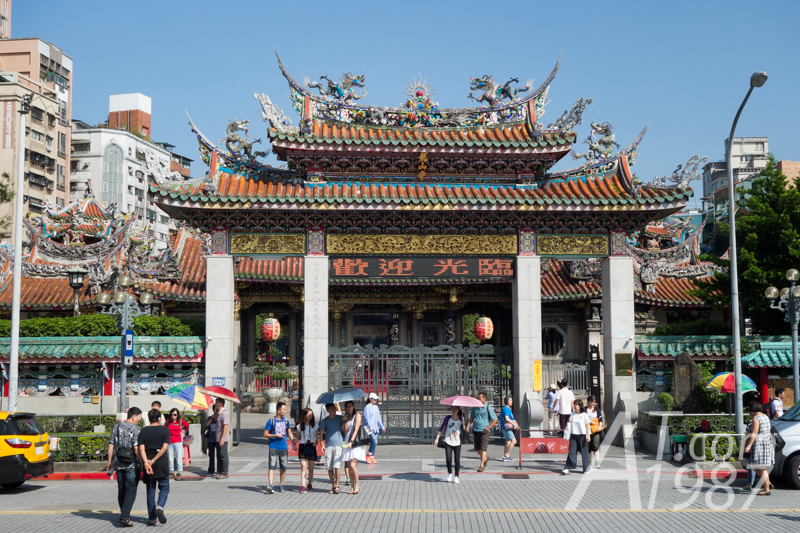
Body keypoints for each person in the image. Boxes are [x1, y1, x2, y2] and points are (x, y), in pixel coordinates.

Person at [107, 407, 143, 528]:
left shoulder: (116, 427)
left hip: (118, 463)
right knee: (131, 490)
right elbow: (137, 448)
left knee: (121, 489)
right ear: (134, 416)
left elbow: (111, 444)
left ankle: (124, 513)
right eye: (139, 416)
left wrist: (110, 461)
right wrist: (142, 462)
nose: (140, 418)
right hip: (132, 464)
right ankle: (125, 516)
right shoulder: (136, 429)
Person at [138, 409, 171, 526]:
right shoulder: (165, 430)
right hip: (161, 462)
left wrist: (147, 463)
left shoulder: (143, 431)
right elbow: (164, 448)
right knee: (164, 487)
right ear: (159, 418)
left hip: (148, 463)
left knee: (150, 491)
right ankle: (160, 506)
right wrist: (153, 460)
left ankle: (152, 518)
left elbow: (141, 449)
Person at [743, 400, 774, 495]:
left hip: (759, 444)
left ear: (752, 410)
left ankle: (766, 489)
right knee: (757, 466)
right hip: (767, 443)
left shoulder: (756, 418)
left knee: (760, 468)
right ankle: (767, 483)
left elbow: (754, 433)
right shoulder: (765, 417)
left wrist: (748, 445)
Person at [264, 401, 294, 494]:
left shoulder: (286, 421)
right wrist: (276, 435)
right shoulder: (271, 421)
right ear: (278, 411)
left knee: (283, 467)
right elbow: (265, 434)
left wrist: (294, 441)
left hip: (283, 446)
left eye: (286, 409)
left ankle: (281, 484)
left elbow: (289, 432)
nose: (286, 411)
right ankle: (271, 485)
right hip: (273, 446)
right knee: (272, 466)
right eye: (284, 410)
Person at [465, 391, 497, 472]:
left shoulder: (487, 408)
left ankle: (482, 465)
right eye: (478, 398)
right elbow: (472, 417)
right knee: (477, 449)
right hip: (476, 430)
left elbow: (495, 419)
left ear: (484, 399)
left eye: (479, 398)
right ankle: (485, 458)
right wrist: (468, 425)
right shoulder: (475, 407)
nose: (478, 400)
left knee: (483, 449)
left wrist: (488, 428)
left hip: (484, 431)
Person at [318, 403, 344, 494]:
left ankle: (337, 485)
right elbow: (321, 434)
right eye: (332, 409)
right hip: (328, 445)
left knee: (337, 465)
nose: (334, 410)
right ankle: (333, 485)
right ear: (327, 410)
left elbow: (345, 429)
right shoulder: (325, 421)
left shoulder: (340, 418)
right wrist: (322, 444)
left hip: (338, 444)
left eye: (334, 409)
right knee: (329, 467)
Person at [434, 405, 464, 483]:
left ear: (458, 410)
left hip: (457, 442)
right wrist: (437, 438)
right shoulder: (448, 418)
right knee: (449, 459)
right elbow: (441, 428)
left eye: (455, 409)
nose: (453, 410)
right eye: (452, 408)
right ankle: (450, 473)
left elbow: (463, 429)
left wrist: (464, 424)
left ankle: (456, 476)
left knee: (457, 460)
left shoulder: (461, 418)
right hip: (448, 441)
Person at [341, 400, 366, 494]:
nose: (349, 408)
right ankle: (351, 487)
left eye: (350, 406)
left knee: (352, 465)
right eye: (347, 406)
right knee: (349, 466)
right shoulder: (347, 417)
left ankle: (357, 485)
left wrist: (351, 441)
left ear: (353, 406)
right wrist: (344, 422)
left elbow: (356, 430)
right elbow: (345, 431)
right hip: (348, 440)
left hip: (355, 442)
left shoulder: (357, 415)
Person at [563, 399, 591, 475]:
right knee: (571, 452)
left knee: (584, 452)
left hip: (582, 435)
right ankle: (567, 468)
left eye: (576, 405)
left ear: (580, 406)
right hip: (573, 435)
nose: (574, 406)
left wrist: (588, 434)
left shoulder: (584, 415)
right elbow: (569, 424)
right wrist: (569, 421)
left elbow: (587, 425)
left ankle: (586, 469)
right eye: (574, 404)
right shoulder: (572, 414)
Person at [294, 407, 318, 494]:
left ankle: (310, 483)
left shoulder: (315, 425)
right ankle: (303, 486)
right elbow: (297, 437)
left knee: (311, 468)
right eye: (309, 415)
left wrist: (317, 442)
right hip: (303, 446)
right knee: (303, 466)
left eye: (312, 415)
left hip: (311, 446)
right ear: (304, 416)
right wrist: (294, 444)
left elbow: (317, 437)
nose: (311, 416)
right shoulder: (300, 426)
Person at [165, 408, 189, 481]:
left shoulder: (180, 421)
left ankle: (179, 472)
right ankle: (171, 472)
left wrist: (183, 432)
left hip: (178, 440)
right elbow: (165, 429)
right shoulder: (168, 422)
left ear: (177, 415)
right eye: (172, 414)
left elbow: (187, 425)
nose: (173, 416)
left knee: (179, 457)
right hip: (170, 441)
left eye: (175, 414)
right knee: (170, 457)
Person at [363, 392, 386, 464]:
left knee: (375, 443)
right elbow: (366, 418)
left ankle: (372, 457)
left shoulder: (376, 407)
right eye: (374, 399)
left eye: (376, 399)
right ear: (370, 399)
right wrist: (370, 427)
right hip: (369, 428)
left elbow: (378, 418)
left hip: (375, 428)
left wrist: (382, 427)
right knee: (374, 441)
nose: (375, 400)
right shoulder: (367, 407)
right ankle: (368, 455)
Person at [211, 398, 230, 479]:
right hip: (218, 438)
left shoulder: (224, 413)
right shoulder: (219, 413)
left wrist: (222, 439)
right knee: (218, 455)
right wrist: (215, 411)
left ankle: (224, 472)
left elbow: (225, 426)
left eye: (216, 403)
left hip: (223, 439)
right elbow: (215, 419)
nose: (215, 404)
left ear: (221, 403)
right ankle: (219, 471)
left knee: (223, 455)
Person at [585, 395, 604, 469]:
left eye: (594, 402)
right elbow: (583, 418)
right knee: (588, 447)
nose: (592, 403)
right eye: (591, 402)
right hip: (588, 430)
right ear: (588, 401)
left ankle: (597, 462)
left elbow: (600, 419)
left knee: (596, 446)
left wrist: (600, 426)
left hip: (596, 430)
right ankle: (589, 462)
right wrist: (589, 421)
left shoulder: (597, 409)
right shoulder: (585, 409)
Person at [501, 396, 519, 461]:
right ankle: (507, 455)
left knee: (508, 441)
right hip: (506, 428)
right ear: (506, 401)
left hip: (505, 427)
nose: (511, 402)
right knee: (514, 441)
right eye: (510, 400)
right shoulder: (506, 409)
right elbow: (507, 418)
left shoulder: (506, 408)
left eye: (512, 400)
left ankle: (505, 456)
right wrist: (514, 424)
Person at [205, 406, 217, 477]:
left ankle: (219, 470)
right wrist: (212, 418)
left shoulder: (220, 417)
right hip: (211, 439)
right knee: (211, 455)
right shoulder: (210, 417)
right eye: (214, 409)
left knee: (219, 455)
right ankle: (211, 470)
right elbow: (207, 425)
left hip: (218, 439)